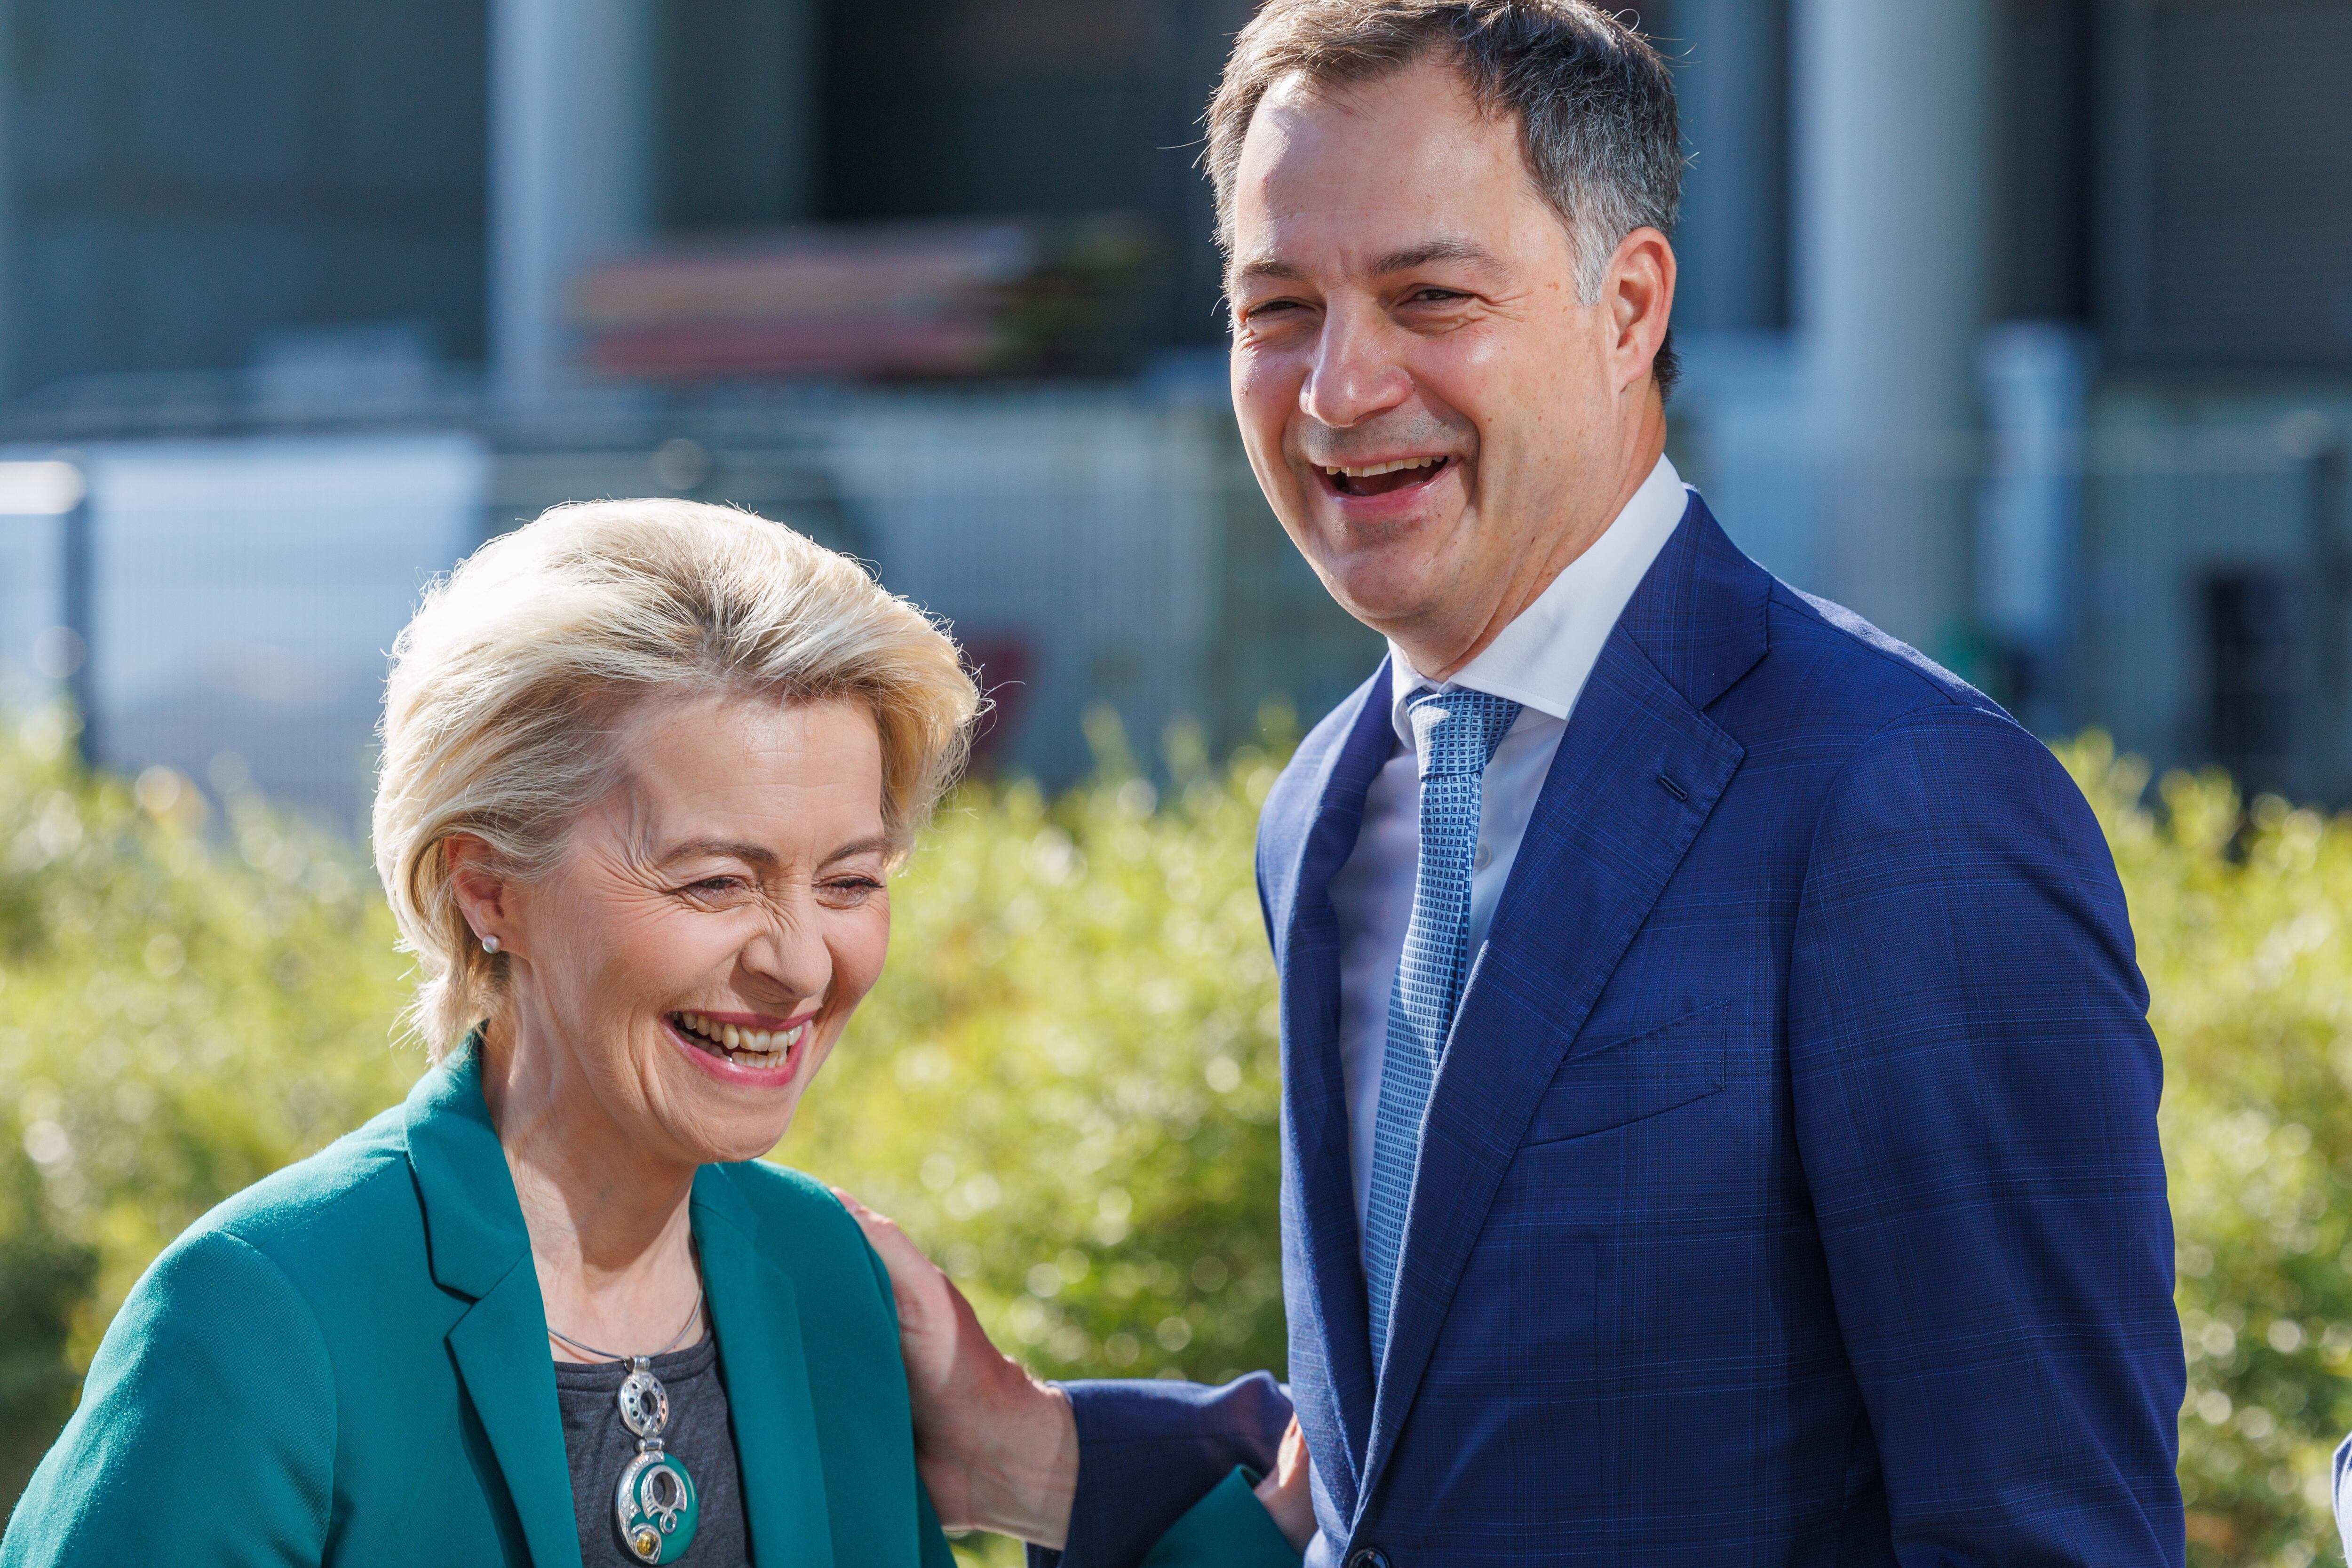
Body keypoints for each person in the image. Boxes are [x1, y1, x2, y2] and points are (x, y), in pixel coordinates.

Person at [852, 2, 2188, 1564]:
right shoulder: (1327, 807)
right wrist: (1036, 1446)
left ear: (1628, 307)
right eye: (1278, 307)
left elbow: (2048, 1534)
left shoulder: (1902, 805)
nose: (1338, 389)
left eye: (1430, 296)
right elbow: (1430, 1454)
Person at [0, 500, 984, 1566]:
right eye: (714, 881)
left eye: (849, 879)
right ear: (488, 888)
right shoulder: (262, 1314)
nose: (799, 963)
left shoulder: (826, 1273)